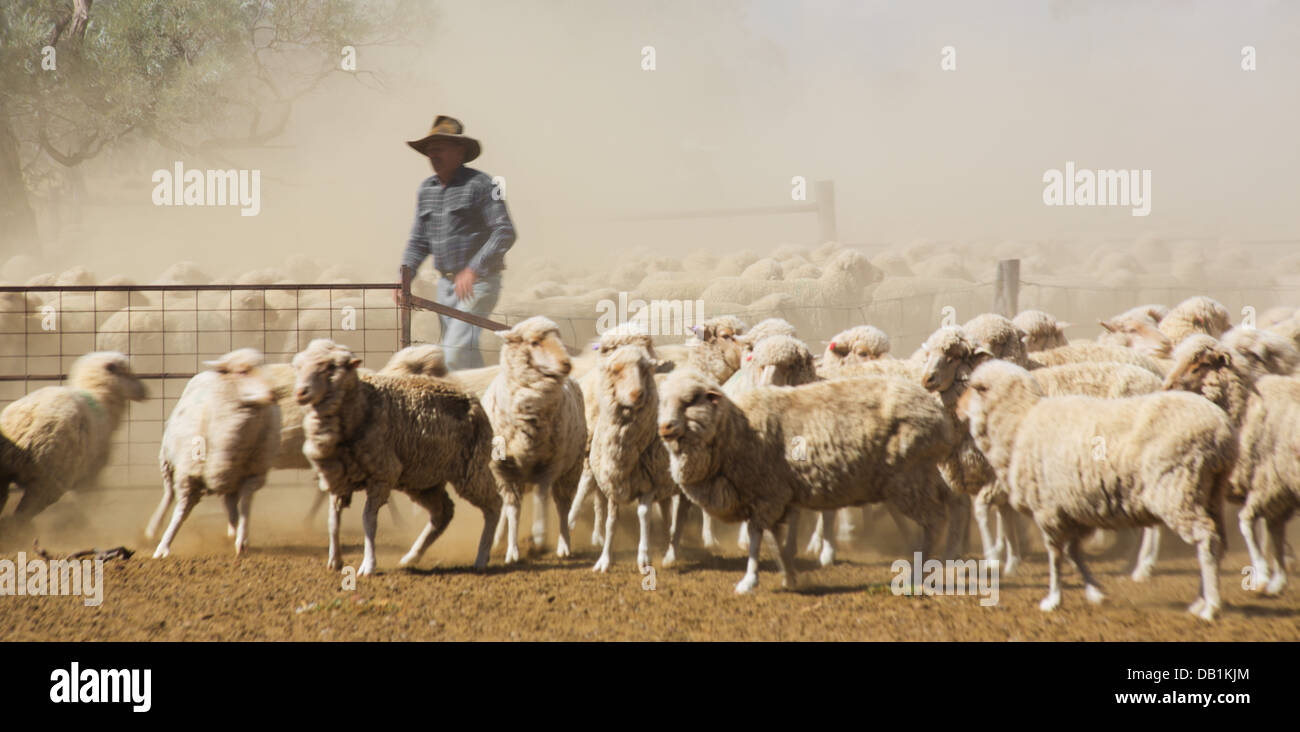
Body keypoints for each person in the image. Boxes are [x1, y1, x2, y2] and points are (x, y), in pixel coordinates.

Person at [398, 115, 516, 370]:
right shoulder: (426, 189)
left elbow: (504, 231)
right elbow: (418, 240)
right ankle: (480, 404)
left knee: (453, 354)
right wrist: (404, 276)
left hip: (478, 283)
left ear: (459, 151)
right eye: (429, 151)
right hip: (445, 286)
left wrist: (474, 269)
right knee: (464, 357)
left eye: (439, 149)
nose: (433, 155)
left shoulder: (483, 184)